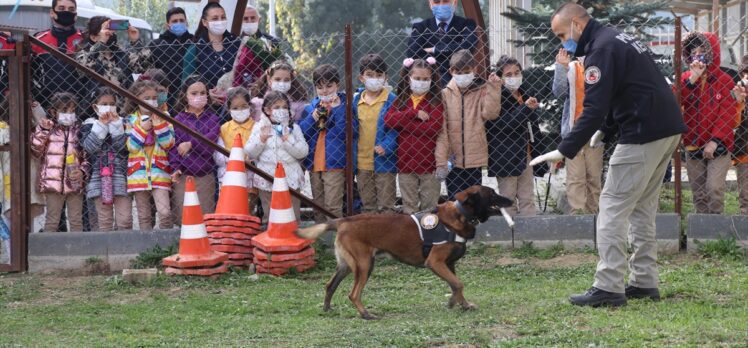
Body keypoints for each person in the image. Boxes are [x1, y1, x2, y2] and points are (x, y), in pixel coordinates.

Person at [531, 3, 687, 307]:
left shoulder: (600, 49)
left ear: (577, 23)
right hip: (666, 129)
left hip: (644, 132)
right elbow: (628, 89)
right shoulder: (615, 38)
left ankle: (609, 286)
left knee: (612, 207)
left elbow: (594, 106)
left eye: (562, 34)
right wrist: (605, 128)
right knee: (642, 209)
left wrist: (565, 148)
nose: (562, 42)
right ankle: (644, 281)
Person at [678, 32, 737, 215]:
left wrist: (716, 140)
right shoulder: (685, 78)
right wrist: (692, 80)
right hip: (692, 143)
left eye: (702, 50)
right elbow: (675, 102)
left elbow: (727, 113)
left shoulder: (724, 80)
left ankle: (716, 228)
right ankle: (701, 228)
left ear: (712, 53)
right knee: (698, 192)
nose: (697, 55)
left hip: (718, 146)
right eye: (693, 51)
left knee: (714, 188)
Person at [435, 49, 501, 199]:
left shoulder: (481, 90)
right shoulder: (444, 94)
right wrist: (441, 161)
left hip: (475, 159)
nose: (463, 75)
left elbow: (490, 114)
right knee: (455, 201)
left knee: (474, 202)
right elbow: (442, 131)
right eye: (458, 71)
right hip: (453, 159)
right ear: (451, 71)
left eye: (466, 71)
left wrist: (494, 89)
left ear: (474, 70)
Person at [384, 57, 444, 214]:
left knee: (429, 208)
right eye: (417, 78)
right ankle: (412, 237)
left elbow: (433, 128)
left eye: (426, 79)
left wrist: (404, 124)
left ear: (432, 79)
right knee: (409, 207)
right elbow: (389, 120)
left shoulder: (435, 101)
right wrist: (413, 113)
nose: (421, 82)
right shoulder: (402, 100)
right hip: (405, 164)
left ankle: (429, 237)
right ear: (408, 78)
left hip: (429, 165)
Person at [300, 64, 356, 222]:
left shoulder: (346, 106)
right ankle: (321, 243)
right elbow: (302, 133)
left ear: (337, 85)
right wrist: (313, 118)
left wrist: (337, 110)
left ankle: (334, 240)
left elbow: (347, 133)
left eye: (329, 86)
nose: (325, 91)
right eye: (320, 87)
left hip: (334, 164)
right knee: (318, 206)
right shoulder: (311, 107)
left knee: (333, 207)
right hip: (314, 163)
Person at [486, 56, 540, 217]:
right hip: (505, 155)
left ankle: (528, 236)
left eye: (517, 73)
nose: (514, 77)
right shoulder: (496, 96)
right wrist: (525, 109)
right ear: (500, 78)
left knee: (527, 197)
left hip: (526, 153)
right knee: (507, 199)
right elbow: (502, 124)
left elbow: (534, 127)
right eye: (508, 75)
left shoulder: (525, 94)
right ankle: (512, 236)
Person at [552, 48, 604, 214]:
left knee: (594, 177)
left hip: (595, 133)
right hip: (574, 132)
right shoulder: (573, 67)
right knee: (575, 177)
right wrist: (562, 67)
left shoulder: (601, 67)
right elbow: (559, 92)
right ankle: (577, 216)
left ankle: (593, 214)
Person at [245, 91, 308, 223]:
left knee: (292, 215)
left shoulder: (294, 128)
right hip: (267, 178)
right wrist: (261, 140)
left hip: (290, 177)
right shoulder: (259, 127)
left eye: (284, 107)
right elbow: (250, 152)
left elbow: (303, 151)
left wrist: (288, 140)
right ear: (268, 110)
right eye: (277, 107)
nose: (282, 111)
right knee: (270, 215)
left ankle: (293, 239)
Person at [30, 92, 89, 232]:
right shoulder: (48, 129)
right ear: (53, 111)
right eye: (64, 110)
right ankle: (48, 251)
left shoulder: (79, 130)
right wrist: (43, 130)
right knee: (52, 220)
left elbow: (86, 157)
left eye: (72, 110)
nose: (69, 114)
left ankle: (78, 252)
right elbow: (35, 150)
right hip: (53, 182)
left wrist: (82, 171)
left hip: (75, 183)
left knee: (76, 220)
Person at [75, 16, 151, 116]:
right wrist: (101, 43)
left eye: (112, 29)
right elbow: (83, 67)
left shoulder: (123, 55)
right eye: (107, 28)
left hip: (123, 111)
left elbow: (144, 66)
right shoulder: (84, 54)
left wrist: (136, 42)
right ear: (94, 37)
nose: (111, 32)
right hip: (95, 112)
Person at [170, 76, 220, 222]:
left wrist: (191, 144)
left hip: (205, 175)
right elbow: (174, 147)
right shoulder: (178, 120)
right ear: (185, 96)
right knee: (183, 216)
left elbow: (210, 144)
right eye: (194, 93)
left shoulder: (213, 119)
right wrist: (175, 167)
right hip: (184, 174)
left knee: (206, 216)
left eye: (202, 93)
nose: (199, 97)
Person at [126, 80, 175, 230]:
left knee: (165, 212)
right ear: (136, 99)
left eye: (154, 98)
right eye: (146, 98)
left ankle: (167, 244)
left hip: (159, 171)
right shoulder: (131, 119)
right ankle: (146, 249)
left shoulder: (165, 116)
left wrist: (159, 124)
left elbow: (169, 143)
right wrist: (143, 129)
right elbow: (131, 147)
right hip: (138, 173)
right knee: (144, 215)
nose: (151, 101)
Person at [80, 87, 131, 231]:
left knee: (125, 219)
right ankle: (104, 251)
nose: (108, 107)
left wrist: (116, 126)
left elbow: (123, 147)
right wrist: (102, 125)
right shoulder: (89, 124)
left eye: (111, 103)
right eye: (104, 104)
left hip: (122, 176)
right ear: (95, 106)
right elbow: (89, 147)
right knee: (104, 220)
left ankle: (124, 249)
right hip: (98, 178)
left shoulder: (124, 122)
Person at [352, 54, 398, 214]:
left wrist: (386, 146)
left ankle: (388, 237)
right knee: (368, 205)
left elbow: (396, 129)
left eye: (379, 75)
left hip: (385, 162)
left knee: (386, 205)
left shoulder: (392, 100)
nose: (375, 79)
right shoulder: (355, 100)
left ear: (386, 77)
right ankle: (370, 237)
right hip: (362, 162)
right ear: (361, 78)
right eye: (370, 75)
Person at [406, 0, 477, 87]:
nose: (441, 5)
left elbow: (468, 46)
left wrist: (434, 49)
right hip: (429, 81)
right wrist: (454, 51)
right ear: (430, 4)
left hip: (458, 79)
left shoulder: (467, 24)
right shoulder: (421, 27)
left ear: (454, 3)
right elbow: (412, 52)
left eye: (446, 1)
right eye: (436, 2)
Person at [31, 0, 84, 109]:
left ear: (75, 15)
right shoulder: (38, 40)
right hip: (46, 102)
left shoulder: (84, 39)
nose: (66, 12)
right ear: (52, 12)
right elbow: (30, 73)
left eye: (71, 9)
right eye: (61, 8)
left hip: (80, 103)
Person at [214, 87, 258, 215]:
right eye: (235, 108)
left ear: (250, 106)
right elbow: (218, 156)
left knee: (248, 211)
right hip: (227, 178)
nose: (240, 111)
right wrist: (239, 160)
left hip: (250, 178)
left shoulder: (257, 127)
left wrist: (250, 160)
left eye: (244, 106)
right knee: (229, 210)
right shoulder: (223, 128)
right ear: (228, 109)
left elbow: (259, 150)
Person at [183, 2, 241, 100]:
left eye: (223, 17)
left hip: (237, 104)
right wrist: (205, 94)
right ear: (205, 22)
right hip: (207, 108)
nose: (220, 21)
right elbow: (186, 84)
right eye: (215, 18)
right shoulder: (195, 49)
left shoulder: (237, 44)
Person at [149, 7, 194, 108]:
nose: (179, 23)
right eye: (174, 21)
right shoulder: (157, 45)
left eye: (181, 20)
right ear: (167, 25)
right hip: (166, 97)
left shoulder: (194, 42)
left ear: (186, 22)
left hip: (191, 97)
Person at [232, 6, 283, 89]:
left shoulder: (271, 41)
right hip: (237, 89)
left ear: (259, 20)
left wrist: (262, 80)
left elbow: (278, 66)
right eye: (245, 19)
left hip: (266, 87)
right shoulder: (233, 42)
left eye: (253, 18)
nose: (249, 21)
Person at [733, 56, 748, 215]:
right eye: (745, 74)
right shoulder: (739, 92)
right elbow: (734, 123)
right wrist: (739, 101)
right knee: (745, 193)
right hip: (744, 149)